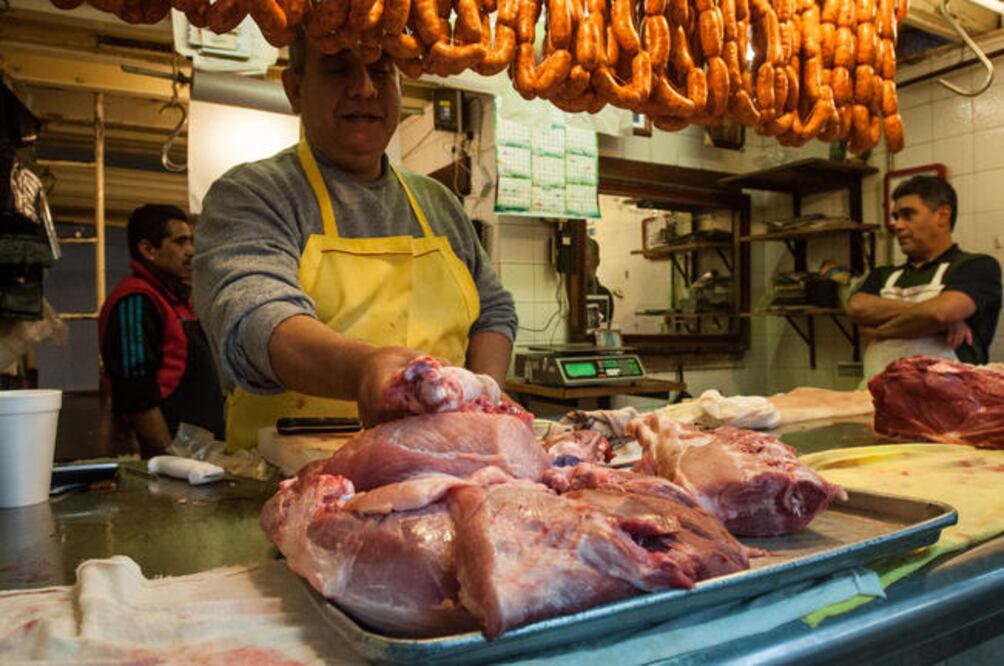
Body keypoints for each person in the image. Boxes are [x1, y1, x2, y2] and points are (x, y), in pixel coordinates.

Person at [192, 33, 517, 450]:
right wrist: (366, 369)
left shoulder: (438, 204)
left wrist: (486, 391)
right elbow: (253, 316)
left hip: (441, 466)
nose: (364, 87)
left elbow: (493, 310)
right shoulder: (254, 192)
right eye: (336, 67)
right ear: (295, 90)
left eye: (381, 70)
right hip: (287, 477)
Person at [98, 204, 225, 458]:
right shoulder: (135, 301)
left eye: (191, 241)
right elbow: (137, 395)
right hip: (173, 462)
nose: (191, 251)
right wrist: (170, 461)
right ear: (148, 250)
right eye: (180, 242)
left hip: (201, 456)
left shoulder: (177, 300)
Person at [847, 175, 1002, 380]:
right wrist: (936, 320)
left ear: (942, 216)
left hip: (948, 405)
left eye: (908, 215)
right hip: (877, 401)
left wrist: (882, 331)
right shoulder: (883, 275)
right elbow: (857, 307)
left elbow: (940, 312)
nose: (897, 225)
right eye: (896, 217)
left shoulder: (977, 266)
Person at [585, 237, 614, 326]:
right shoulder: (567, 294)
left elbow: (603, 330)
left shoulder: (605, 295)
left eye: (586, 259)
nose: (582, 264)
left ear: (597, 261)